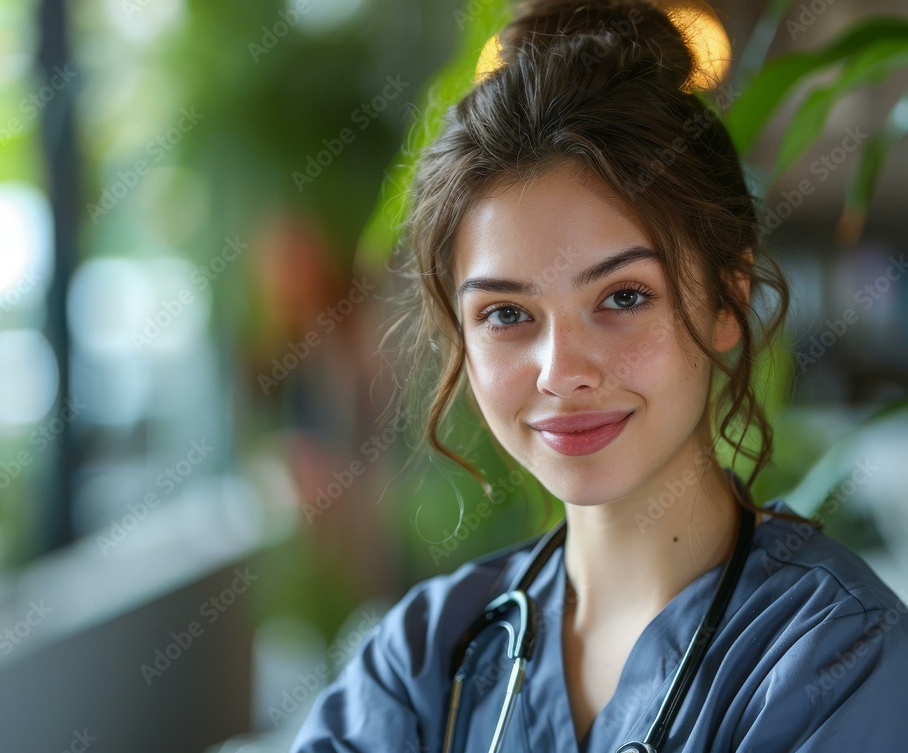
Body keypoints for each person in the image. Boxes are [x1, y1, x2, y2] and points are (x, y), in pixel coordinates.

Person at [289, 0, 908, 750]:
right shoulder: (421, 661)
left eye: (622, 297)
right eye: (507, 314)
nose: (562, 371)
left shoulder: (839, 659)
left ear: (726, 299)